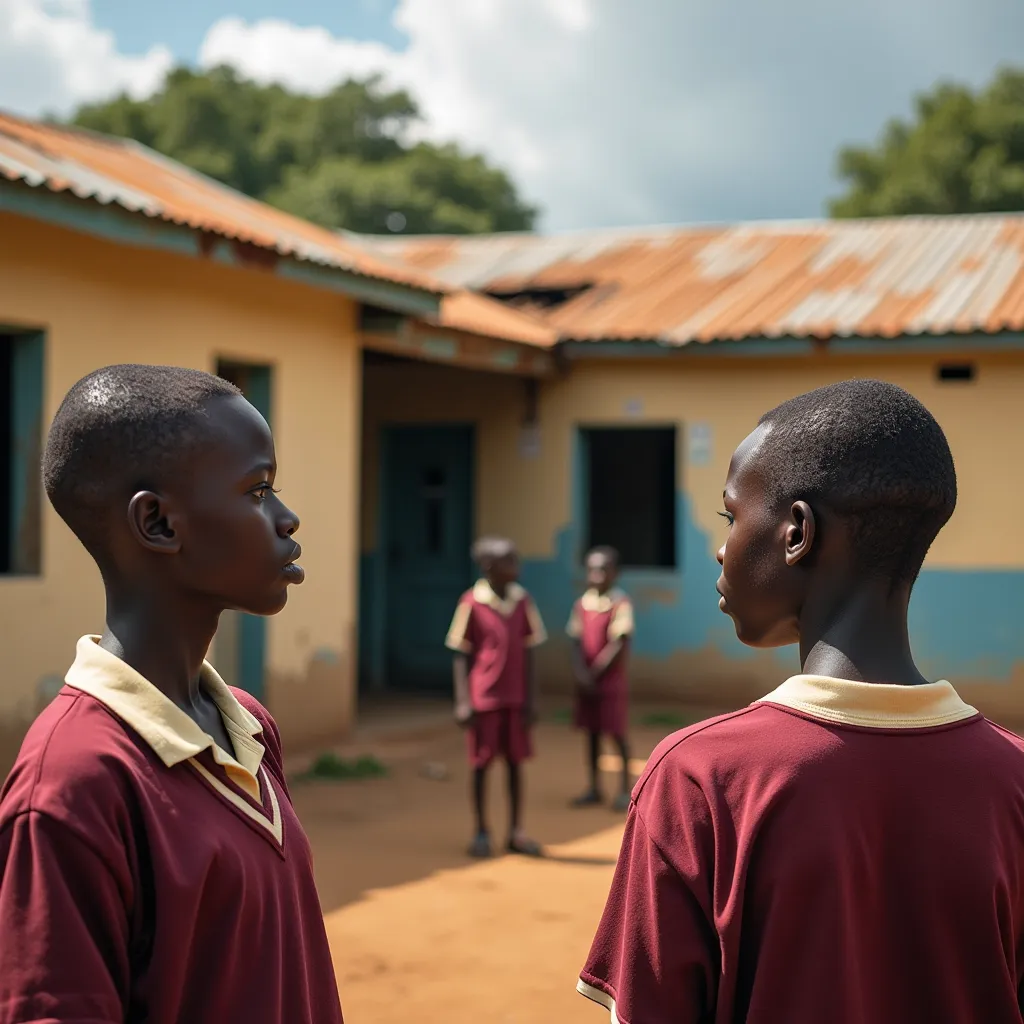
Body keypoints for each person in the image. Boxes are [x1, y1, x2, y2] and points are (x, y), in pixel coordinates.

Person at [577, 379, 1024, 1024]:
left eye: (731, 517)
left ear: (797, 533)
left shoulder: (700, 779)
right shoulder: (1014, 781)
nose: (721, 548)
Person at [0, 365, 344, 1024]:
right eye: (258, 490)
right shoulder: (74, 784)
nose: (286, 518)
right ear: (158, 523)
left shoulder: (248, 726)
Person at [446, 537, 546, 859]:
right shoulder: (471, 602)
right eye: (509, 561)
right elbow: (461, 654)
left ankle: (516, 831)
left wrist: (532, 699)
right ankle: (481, 831)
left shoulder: (523, 601)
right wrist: (463, 701)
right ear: (489, 567)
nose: (517, 566)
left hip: (516, 698)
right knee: (481, 764)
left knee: (516, 764)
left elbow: (530, 652)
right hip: (483, 699)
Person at [567, 546, 634, 812]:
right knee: (591, 733)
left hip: (609, 682)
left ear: (615, 573)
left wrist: (593, 673)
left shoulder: (620, 603)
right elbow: (575, 642)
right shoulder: (581, 605)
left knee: (616, 733)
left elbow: (618, 643)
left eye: (604, 570)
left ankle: (624, 789)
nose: (597, 575)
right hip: (586, 682)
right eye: (592, 570)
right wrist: (579, 673)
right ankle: (594, 787)